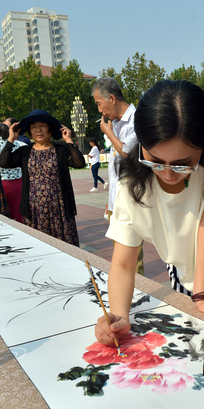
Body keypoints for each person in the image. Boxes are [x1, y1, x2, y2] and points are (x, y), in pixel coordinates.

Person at [94, 80, 204, 346]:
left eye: (182, 164)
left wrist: (201, 295)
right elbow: (123, 261)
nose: (166, 174)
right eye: (155, 160)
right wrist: (118, 315)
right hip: (184, 268)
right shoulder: (132, 181)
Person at [0, 109, 85, 245]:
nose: (38, 130)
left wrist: (68, 140)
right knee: (40, 246)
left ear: (50, 130)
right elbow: (4, 162)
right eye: (34, 127)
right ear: (30, 132)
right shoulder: (25, 151)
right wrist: (11, 138)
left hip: (60, 209)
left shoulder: (60, 150)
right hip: (34, 210)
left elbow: (80, 163)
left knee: (64, 246)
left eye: (42, 126)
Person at [93, 76, 145, 275]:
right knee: (121, 259)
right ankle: (127, 297)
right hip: (117, 202)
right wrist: (111, 200)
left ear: (112, 99)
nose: (100, 111)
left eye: (100, 104)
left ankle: (139, 298)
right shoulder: (115, 123)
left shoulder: (138, 119)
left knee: (133, 261)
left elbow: (126, 151)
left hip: (132, 200)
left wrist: (108, 133)